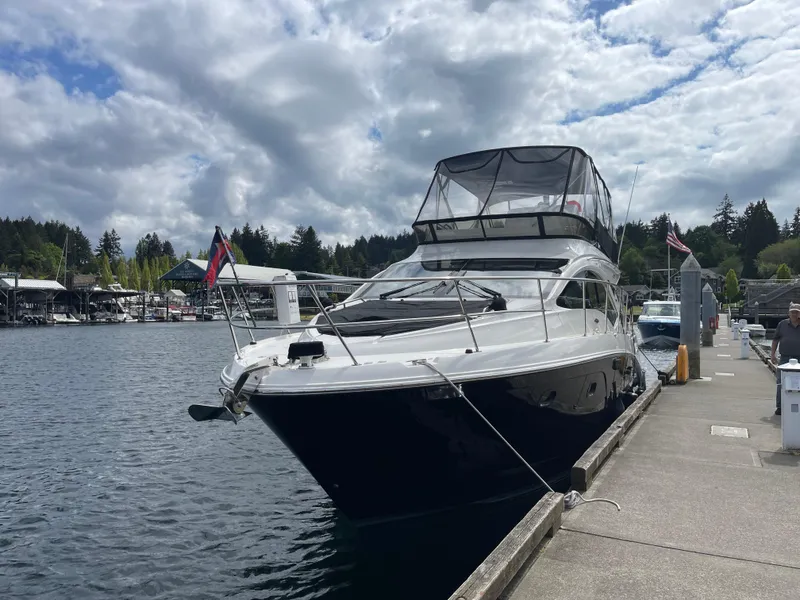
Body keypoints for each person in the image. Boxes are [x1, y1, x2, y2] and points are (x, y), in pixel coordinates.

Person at [770, 303, 800, 416]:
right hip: (785, 358)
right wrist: (772, 354)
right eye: (792, 311)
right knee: (780, 383)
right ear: (789, 313)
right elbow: (775, 340)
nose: (794, 314)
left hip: (799, 359)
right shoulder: (782, 324)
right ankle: (780, 407)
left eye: (796, 312)